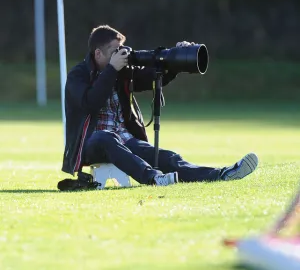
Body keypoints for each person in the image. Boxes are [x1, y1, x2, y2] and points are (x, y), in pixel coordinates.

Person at [59, 24, 258, 190]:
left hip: (123, 140)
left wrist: (177, 61)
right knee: (106, 136)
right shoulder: (78, 75)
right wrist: (112, 70)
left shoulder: (121, 71)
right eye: (114, 51)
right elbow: (90, 103)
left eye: (122, 49)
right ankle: (154, 178)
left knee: (168, 157)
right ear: (98, 53)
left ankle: (222, 174)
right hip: (89, 144)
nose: (121, 55)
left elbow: (151, 79)